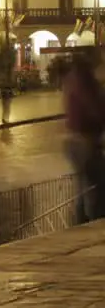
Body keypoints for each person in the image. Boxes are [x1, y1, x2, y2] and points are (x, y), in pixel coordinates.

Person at [62, 55, 105, 222]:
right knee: (94, 188)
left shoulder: (72, 81)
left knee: (83, 186)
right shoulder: (87, 85)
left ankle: (80, 222)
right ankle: (92, 224)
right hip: (85, 141)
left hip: (74, 141)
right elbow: (95, 110)